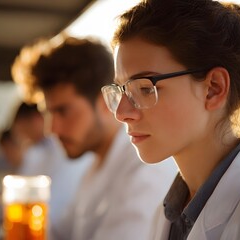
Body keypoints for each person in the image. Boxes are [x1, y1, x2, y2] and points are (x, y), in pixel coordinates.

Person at [100, 0, 240, 239]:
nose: (121, 113)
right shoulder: (169, 216)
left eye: (145, 88)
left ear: (213, 88)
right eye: (121, 90)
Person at [12, 35, 178, 240]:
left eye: (63, 111)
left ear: (104, 102)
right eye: (48, 113)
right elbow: (58, 235)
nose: (51, 129)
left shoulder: (144, 168)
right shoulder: (96, 165)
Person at [8, 101, 93, 228]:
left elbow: (52, 209)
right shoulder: (38, 151)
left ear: (36, 119)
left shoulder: (67, 149)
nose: (50, 129)